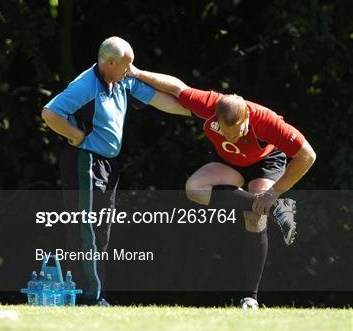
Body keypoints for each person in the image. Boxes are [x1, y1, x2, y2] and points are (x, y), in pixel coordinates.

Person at [127, 65, 316, 310]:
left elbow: (307, 156)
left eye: (236, 133)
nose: (231, 138)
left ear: (247, 119)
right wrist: (136, 73)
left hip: (265, 163)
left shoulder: (266, 121)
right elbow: (176, 87)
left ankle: (250, 298)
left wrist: (273, 193)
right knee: (194, 188)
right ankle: (275, 209)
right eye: (225, 134)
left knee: (254, 219)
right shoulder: (209, 105)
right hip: (230, 163)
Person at [42, 36, 190, 306]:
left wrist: (198, 111)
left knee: (103, 232)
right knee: (85, 229)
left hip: (108, 164)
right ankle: (90, 297)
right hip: (84, 161)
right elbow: (50, 113)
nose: (130, 70)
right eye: (126, 65)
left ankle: (92, 293)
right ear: (109, 62)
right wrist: (75, 134)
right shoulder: (84, 86)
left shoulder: (123, 79)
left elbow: (159, 99)